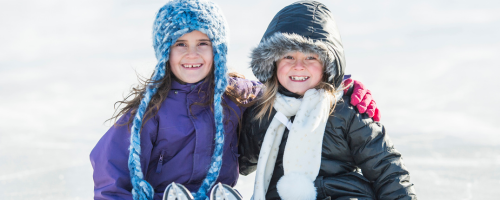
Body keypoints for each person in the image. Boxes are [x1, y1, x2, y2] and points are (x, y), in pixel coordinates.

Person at [90, 0, 379, 199]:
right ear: (165, 51)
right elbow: (110, 174)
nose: (192, 54)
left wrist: (342, 88)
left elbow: (290, 89)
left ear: (218, 49)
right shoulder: (148, 111)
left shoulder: (236, 95)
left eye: (203, 43)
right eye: (180, 44)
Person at [239, 1, 417, 200]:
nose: (299, 66)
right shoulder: (263, 113)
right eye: (288, 56)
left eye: (311, 58)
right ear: (272, 63)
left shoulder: (347, 109)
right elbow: (238, 161)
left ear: (327, 65)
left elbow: (386, 168)